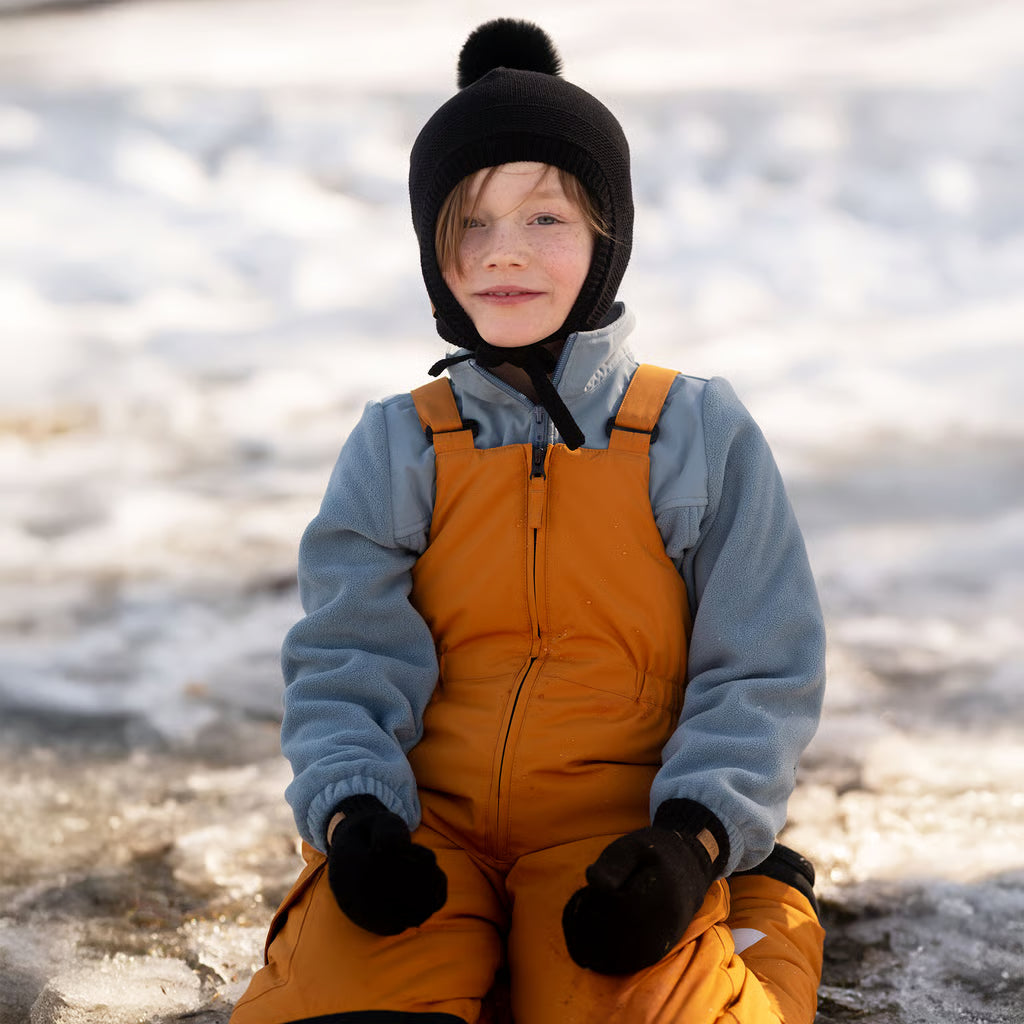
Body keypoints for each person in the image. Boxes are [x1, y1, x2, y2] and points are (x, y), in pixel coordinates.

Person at [230, 18, 826, 1024]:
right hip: (432, 836)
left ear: (606, 237)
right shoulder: (397, 443)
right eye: (469, 222)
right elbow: (343, 656)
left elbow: (761, 668)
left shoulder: (695, 431)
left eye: (544, 219)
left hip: (617, 841)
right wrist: (356, 811)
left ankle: (763, 908)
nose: (503, 254)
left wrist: (692, 841)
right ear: (433, 250)